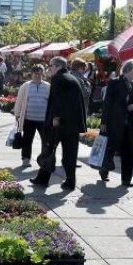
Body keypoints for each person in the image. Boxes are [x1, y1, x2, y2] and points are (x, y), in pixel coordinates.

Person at [30, 57, 86, 190]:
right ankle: (70, 181)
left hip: (61, 122)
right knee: (70, 154)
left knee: (49, 148)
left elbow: (58, 100)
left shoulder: (58, 79)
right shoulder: (71, 78)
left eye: (51, 66)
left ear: (57, 66)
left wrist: (56, 118)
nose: (50, 68)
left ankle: (43, 179)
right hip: (73, 123)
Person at [99, 60, 133, 187]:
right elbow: (107, 103)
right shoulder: (115, 83)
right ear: (128, 70)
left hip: (129, 124)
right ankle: (104, 169)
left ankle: (126, 179)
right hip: (114, 122)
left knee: (128, 152)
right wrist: (104, 122)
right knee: (111, 148)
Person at [13, 64, 50, 167]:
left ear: (43, 74)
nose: (37, 75)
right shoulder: (25, 86)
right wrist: (17, 113)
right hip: (29, 118)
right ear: (31, 74)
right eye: (35, 73)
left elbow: (51, 102)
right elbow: (19, 100)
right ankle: (26, 159)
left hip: (43, 119)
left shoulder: (47, 86)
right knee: (27, 139)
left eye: (39, 73)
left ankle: (44, 159)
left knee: (46, 140)